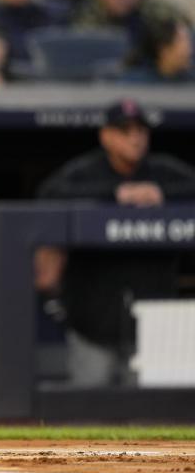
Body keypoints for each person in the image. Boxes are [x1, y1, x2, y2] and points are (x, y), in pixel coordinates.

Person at [37, 98, 195, 386]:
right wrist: (115, 194)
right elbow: (49, 196)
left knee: (151, 417)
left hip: (154, 325)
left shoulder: (163, 172)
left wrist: (162, 193)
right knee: (86, 412)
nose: (135, 138)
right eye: (125, 131)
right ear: (106, 136)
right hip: (92, 321)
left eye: (140, 131)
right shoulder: (83, 173)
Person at [121, 16, 193, 84]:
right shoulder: (134, 83)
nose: (190, 50)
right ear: (164, 49)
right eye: (183, 41)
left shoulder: (190, 81)